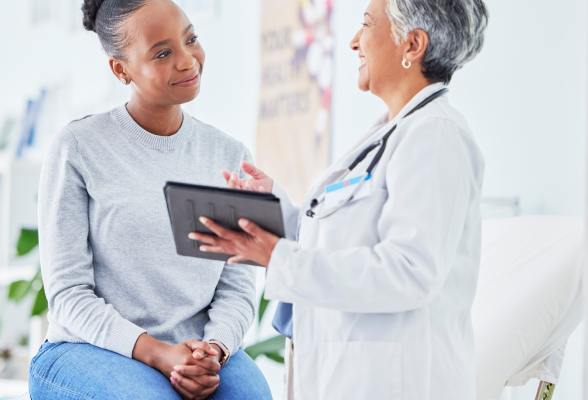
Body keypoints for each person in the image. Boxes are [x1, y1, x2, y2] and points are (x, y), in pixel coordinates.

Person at [190, 0, 488, 398]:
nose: (354, 42)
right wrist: (274, 207)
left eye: (366, 25)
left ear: (412, 45)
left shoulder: (436, 136)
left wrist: (277, 256)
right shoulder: (391, 134)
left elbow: (410, 271)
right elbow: (343, 238)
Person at [28, 1, 271, 399]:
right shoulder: (77, 147)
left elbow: (237, 288)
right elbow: (69, 295)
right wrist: (158, 354)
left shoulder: (231, 155)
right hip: (88, 349)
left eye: (190, 39)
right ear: (120, 69)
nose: (187, 59)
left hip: (198, 348)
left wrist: (214, 349)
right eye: (162, 53)